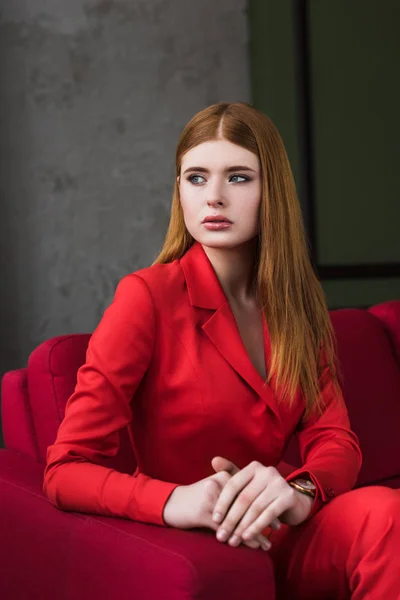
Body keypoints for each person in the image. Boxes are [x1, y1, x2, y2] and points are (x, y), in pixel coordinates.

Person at [43, 102, 400, 599]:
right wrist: (179, 501)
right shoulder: (145, 297)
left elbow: (336, 441)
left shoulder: (297, 305)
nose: (214, 197)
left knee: (388, 515)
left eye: (237, 178)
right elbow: (65, 470)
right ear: (179, 192)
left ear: (270, 190)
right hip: (188, 542)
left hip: (276, 532)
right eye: (195, 177)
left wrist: (298, 491)